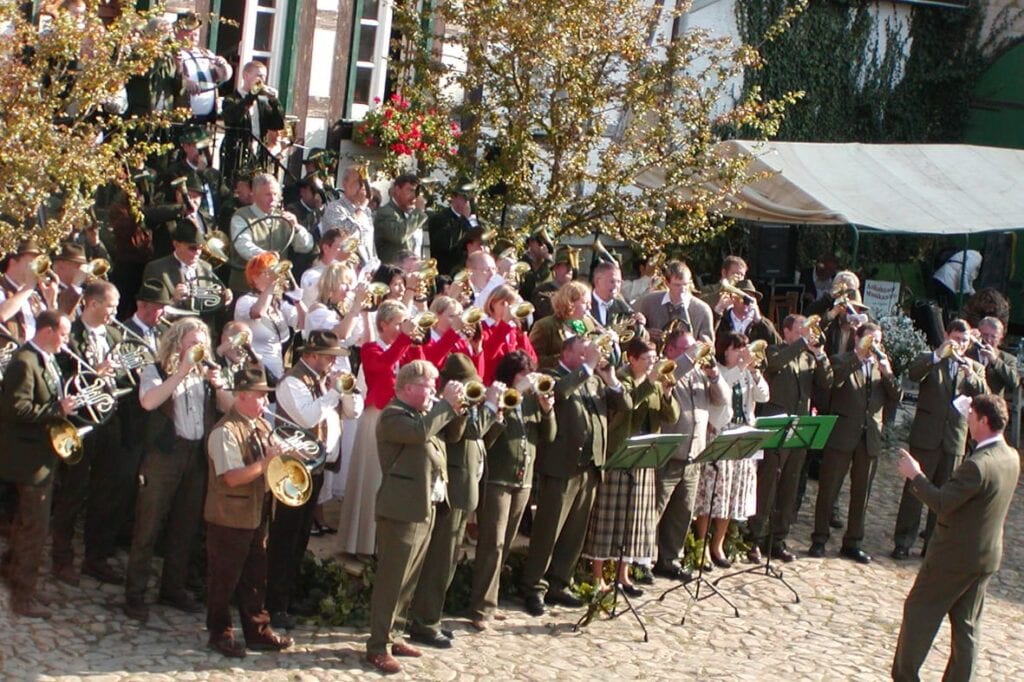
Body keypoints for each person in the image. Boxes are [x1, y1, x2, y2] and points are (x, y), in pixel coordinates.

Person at [892, 394, 1019, 682]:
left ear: (984, 421)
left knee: (919, 612)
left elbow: (941, 502)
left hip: (953, 559)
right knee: (966, 625)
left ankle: (905, 676)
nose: (968, 420)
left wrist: (916, 475)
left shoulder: (978, 465)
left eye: (971, 415)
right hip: (985, 557)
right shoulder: (1011, 456)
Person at [124, 318, 229, 622]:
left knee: (186, 525)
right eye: (193, 342)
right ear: (178, 342)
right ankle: (135, 593)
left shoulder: (206, 374)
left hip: (194, 455)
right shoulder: (155, 370)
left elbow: (229, 407)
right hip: (163, 455)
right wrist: (181, 371)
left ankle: (172, 587)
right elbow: (148, 401)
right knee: (148, 523)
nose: (198, 347)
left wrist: (217, 385)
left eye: (202, 342)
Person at [520, 335, 628, 617]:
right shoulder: (552, 376)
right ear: (565, 353)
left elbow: (624, 405)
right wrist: (588, 367)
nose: (587, 357)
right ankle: (533, 587)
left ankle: (560, 582)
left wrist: (612, 378)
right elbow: (562, 394)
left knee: (574, 533)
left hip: (590, 466)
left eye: (588, 354)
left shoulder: (593, 380)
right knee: (549, 530)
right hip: (561, 466)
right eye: (582, 353)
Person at [365, 360, 462, 674]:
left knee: (410, 579)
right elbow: (420, 434)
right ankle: (377, 646)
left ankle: (396, 633)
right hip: (400, 509)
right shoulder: (394, 415)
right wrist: (444, 403)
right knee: (392, 580)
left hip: (425, 507)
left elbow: (454, 435)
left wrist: (456, 407)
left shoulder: (424, 415)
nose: (433, 389)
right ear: (407, 387)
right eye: (427, 385)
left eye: (435, 384)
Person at [267, 331, 359, 629]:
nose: (333, 362)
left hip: (315, 467)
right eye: (329, 356)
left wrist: (344, 391)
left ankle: (288, 597)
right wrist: (333, 393)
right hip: (294, 468)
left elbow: (353, 412)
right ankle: (274, 603)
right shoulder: (293, 381)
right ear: (311, 355)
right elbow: (307, 417)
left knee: (300, 537)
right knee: (285, 536)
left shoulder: (322, 381)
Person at [408, 353, 500, 648]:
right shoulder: (448, 406)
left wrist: (496, 416)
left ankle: (431, 617)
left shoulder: (466, 406)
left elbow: (482, 439)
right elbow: (464, 432)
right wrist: (485, 407)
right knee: (439, 560)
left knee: (448, 562)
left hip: (467, 487)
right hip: (453, 488)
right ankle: (424, 621)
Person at [204, 365, 293, 658]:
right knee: (224, 578)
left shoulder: (261, 425)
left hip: (255, 512)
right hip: (229, 515)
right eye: (259, 397)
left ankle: (257, 630)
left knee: (257, 575)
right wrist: (266, 463)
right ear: (241, 396)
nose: (265, 403)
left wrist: (286, 456)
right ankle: (220, 633)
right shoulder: (224, 431)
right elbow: (231, 477)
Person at [468, 350, 555, 630]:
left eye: (530, 373)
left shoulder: (531, 401)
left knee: (504, 543)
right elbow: (487, 438)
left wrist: (547, 410)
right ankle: (481, 608)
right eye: (522, 374)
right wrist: (503, 407)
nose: (528, 379)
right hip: (498, 479)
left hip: (523, 480)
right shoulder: (497, 397)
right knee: (491, 543)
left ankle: (490, 602)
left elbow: (548, 436)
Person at [584, 337, 679, 593]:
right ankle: (597, 575)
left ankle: (623, 575)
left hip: (645, 457)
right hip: (619, 455)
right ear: (632, 359)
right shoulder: (622, 378)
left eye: (653, 358)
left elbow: (672, 416)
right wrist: (650, 382)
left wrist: (668, 393)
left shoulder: (655, 383)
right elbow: (627, 403)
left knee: (634, 520)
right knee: (609, 517)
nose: (652, 363)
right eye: (647, 359)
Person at [50, 281, 127, 587]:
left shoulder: (115, 335)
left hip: (109, 420)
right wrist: (95, 370)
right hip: (80, 420)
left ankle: (96, 557)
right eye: (111, 306)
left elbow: (124, 376)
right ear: (92, 304)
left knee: (107, 492)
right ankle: (62, 556)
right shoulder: (72, 335)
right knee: (72, 490)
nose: (115, 312)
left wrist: (116, 371)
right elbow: (61, 375)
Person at [0, 310, 76, 618]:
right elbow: (15, 408)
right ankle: (23, 596)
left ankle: (14, 574)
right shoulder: (24, 361)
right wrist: (56, 409)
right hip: (29, 460)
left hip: (43, 454)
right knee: (35, 528)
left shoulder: (44, 358)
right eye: (64, 334)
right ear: (47, 331)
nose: (67, 341)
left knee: (26, 525)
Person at [892, 319, 988, 560]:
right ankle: (903, 541)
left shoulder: (975, 367)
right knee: (915, 490)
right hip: (926, 436)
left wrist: (971, 375)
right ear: (947, 335)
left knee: (945, 496)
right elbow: (913, 375)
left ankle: (932, 547)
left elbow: (985, 396)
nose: (960, 344)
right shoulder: (931, 359)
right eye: (956, 339)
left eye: (964, 341)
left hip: (953, 439)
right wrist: (937, 355)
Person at [336, 300, 424, 558]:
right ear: (383, 324)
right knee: (372, 478)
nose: (401, 327)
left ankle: (383, 543)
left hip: (399, 417)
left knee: (390, 479)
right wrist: (404, 339)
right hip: (376, 417)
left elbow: (420, 369)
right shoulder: (370, 348)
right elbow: (383, 367)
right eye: (397, 323)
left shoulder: (404, 347)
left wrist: (415, 342)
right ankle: (362, 543)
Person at [808, 323, 900, 565]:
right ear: (857, 339)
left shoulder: (882, 366)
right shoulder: (841, 360)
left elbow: (896, 396)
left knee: (862, 494)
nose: (874, 345)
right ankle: (819, 538)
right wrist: (858, 358)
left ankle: (853, 542)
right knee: (829, 489)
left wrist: (888, 372)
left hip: (868, 437)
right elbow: (832, 381)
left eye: (877, 341)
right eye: (869, 339)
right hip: (842, 434)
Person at [746, 314, 832, 564]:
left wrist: (821, 355)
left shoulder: (809, 357)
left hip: (800, 426)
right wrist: (802, 344)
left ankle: (778, 539)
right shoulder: (774, 350)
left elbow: (826, 383)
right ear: (787, 332)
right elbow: (773, 365)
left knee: (790, 487)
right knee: (768, 484)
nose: (807, 334)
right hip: (776, 424)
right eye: (801, 330)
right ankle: (754, 537)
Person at [653, 326, 729, 580]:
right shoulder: (666, 367)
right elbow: (670, 375)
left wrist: (715, 375)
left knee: (682, 513)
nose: (693, 354)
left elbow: (720, 401)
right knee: (655, 511)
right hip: (668, 454)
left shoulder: (699, 374)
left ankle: (669, 559)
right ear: (672, 349)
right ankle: (643, 561)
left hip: (694, 454)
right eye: (686, 349)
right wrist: (690, 357)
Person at [693, 332, 768, 570]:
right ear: (726, 350)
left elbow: (764, 396)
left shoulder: (747, 372)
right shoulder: (719, 370)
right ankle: (702, 545)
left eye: (744, 348)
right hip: (721, 433)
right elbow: (722, 393)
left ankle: (719, 544)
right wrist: (741, 367)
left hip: (743, 435)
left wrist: (754, 372)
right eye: (738, 349)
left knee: (731, 496)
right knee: (712, 495)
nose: (743, 353)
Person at [228, 173, 315, 295]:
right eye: (268, 194)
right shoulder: (241, 216)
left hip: (276, 290)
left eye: (275, 194)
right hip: (246, 289)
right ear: (255, 195)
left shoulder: (283, 218)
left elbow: (306, 246)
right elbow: (243, 245)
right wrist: (268, 258)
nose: (273, 199)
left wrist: (297, 228)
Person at [233, 251, 305, 381]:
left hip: (277, 372)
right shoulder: (245, 301)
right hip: (254, 372)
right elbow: (258, 312)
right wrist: (272, 284)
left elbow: (303, 323)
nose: (273, 275)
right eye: (267, 272)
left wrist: (298, 300)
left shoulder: (278, 303)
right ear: (254, 278)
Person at [140, 220, 231, 315]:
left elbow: (211, 307)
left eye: (201, 248)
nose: (198, 253)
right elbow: (150, 312)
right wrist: (173, 301)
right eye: (193, 248)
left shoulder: (206, 267)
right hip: (173, 327)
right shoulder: (156, 269)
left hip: (202, 326)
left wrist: (224, 299)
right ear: (176, 245)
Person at [220, 60, 285, 185]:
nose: (262, 80)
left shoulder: (263, 102)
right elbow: (234, 117)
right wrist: (251, 96)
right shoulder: (231, 99)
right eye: (259, 75)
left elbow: (278, 125)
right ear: (246, 75)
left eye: (264, 77)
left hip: (258, 152)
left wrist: (275, 102)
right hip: (237, 152)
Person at [173, 11, 232, 124]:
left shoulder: (206, 54)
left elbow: (224, 76)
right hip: (183, 115)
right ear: (177, 32)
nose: (194, 35)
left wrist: (224, 67)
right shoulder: (173, 54)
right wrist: (185, 82)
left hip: (207, 118)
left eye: (196, 31)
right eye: (189, 31)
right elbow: (169, 79)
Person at [637, 260, 714, 344]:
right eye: (677, 285)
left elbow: (709, 347)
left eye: (685, 284)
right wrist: (647, 333)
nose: (682, 289)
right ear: (667, 283)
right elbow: (637, 331)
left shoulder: (702, 310)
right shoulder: (650, 301)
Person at [528, 281, 597, 370]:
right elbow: (533, 359)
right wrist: (564, 358)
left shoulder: (587, 324)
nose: (589, 308)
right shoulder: (544, 326)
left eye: (590, 303)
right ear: (570, 302)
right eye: (585, 303)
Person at [1, 238, 58, 343]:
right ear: (13, 262)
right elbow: (2, 314)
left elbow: (50, 331)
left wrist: (51, 304)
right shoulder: (3, 287)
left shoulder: (33, 296)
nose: (36, 269)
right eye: (32, 263)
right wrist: (29, 286)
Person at [479, 284, 538, 384]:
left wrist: (521, 332)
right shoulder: (482, 327)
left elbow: (532, 360)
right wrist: (504, 323)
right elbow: (488, 355)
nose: (508, 309)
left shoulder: (513, 329)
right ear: (492, 303)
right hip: (492, 384)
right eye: (503, 304)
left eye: (511, 305)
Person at [321, 165, 377, 265]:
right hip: (339, 268)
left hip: (365, 268)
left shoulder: (367, 212)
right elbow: (345, 232)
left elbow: (369, 243)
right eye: (359, 182)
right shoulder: (335, 208)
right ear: (345, 183)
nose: (363, 187)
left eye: (365, 183)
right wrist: (362, 207)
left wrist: (374, 263)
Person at [374, 174, 427, 265]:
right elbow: (399, 236)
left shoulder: (411, 214)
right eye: (410, 190)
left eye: (416, 192)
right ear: (397, 190)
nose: (414, 196)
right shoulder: (386, 212)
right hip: (392, 273)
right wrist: (418, 212)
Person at [427, 184, 476, 276]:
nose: (467, 203)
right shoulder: (440, 218)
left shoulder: (471, 220)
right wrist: (463, 219)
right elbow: (446, 243)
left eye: (469, 199)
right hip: (446, 272)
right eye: (464, 199)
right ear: (454, 198)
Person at [966, 316, 1018, 402]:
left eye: (993, 337)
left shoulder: (1008, 359)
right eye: (985, 335)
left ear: (1001, 338)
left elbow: (1015, 383)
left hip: (992, 407)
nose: (988, 340)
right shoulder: (967, 353)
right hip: (968, 403)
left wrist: (995, 361)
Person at [713, 279, 780, 346]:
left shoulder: (761, 324)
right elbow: (709, 338)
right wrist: (717, 312)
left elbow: (777, 344)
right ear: (733, 298)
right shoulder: (722, 321)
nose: (748, 303)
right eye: (744, 298)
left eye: (751, 298)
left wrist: (759, 321)